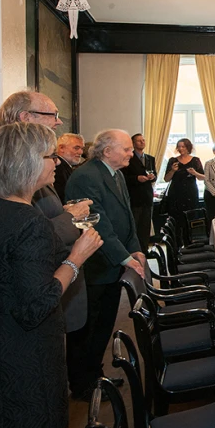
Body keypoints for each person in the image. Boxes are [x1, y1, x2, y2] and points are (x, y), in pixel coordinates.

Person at [0, 122, 102, 428]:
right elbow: (36, 305)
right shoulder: (29, 222)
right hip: (25, 355)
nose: (56, 162)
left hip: (3, 343)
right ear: (25, 163)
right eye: (48, 155)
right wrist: (77, 258)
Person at [0, 91, 91, 354]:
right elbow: (26, 232)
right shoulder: (12, 173)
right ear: (26, 117)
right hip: (30, 308)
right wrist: (75, 243)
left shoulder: (20, 170)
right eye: (53, 115)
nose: (59, 122)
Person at [65, 129, 146, 401]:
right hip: (96, 265)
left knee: (103, 325)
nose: (129, 153)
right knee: (88, 329)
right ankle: (82, 384)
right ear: (107, 150)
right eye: (125, 149)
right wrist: (125, 258)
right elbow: (98, 223)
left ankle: (96, 374)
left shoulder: (116, 174)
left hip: (112, 264)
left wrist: (134, 247)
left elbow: (127, 216)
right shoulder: (86, 176)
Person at [122, 133, 156, 254]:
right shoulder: (128, 159)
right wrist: (137, 178)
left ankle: (144, 250)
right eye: (139, 141)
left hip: (147, 197)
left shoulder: (150, 158)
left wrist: (152, 177)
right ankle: (135, 251)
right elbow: (124, 178)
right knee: (135, 226)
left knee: (145, 227)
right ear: (133, 143)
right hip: (134, 197)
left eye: (143, 140)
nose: (142, 142)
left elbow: (155, 176)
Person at [163, 138, 204, 241]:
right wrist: (172, 170)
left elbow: (203, 177)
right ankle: (176, 245)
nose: (181, 149)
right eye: (179, 146)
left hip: (190, 194)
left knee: (190, 219)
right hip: (175, 194)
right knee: (176, 220)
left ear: (188, 148)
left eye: (183, 147)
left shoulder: (195, 160)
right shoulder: (173, 160)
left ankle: (190, 243)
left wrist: (194, 173)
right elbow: (166, 179)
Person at [54, 133, 84, 202]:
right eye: (76, 148)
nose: (80, 152)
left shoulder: (64, 167)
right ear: (61, 148)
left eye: (82, 148)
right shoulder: (58, 169)